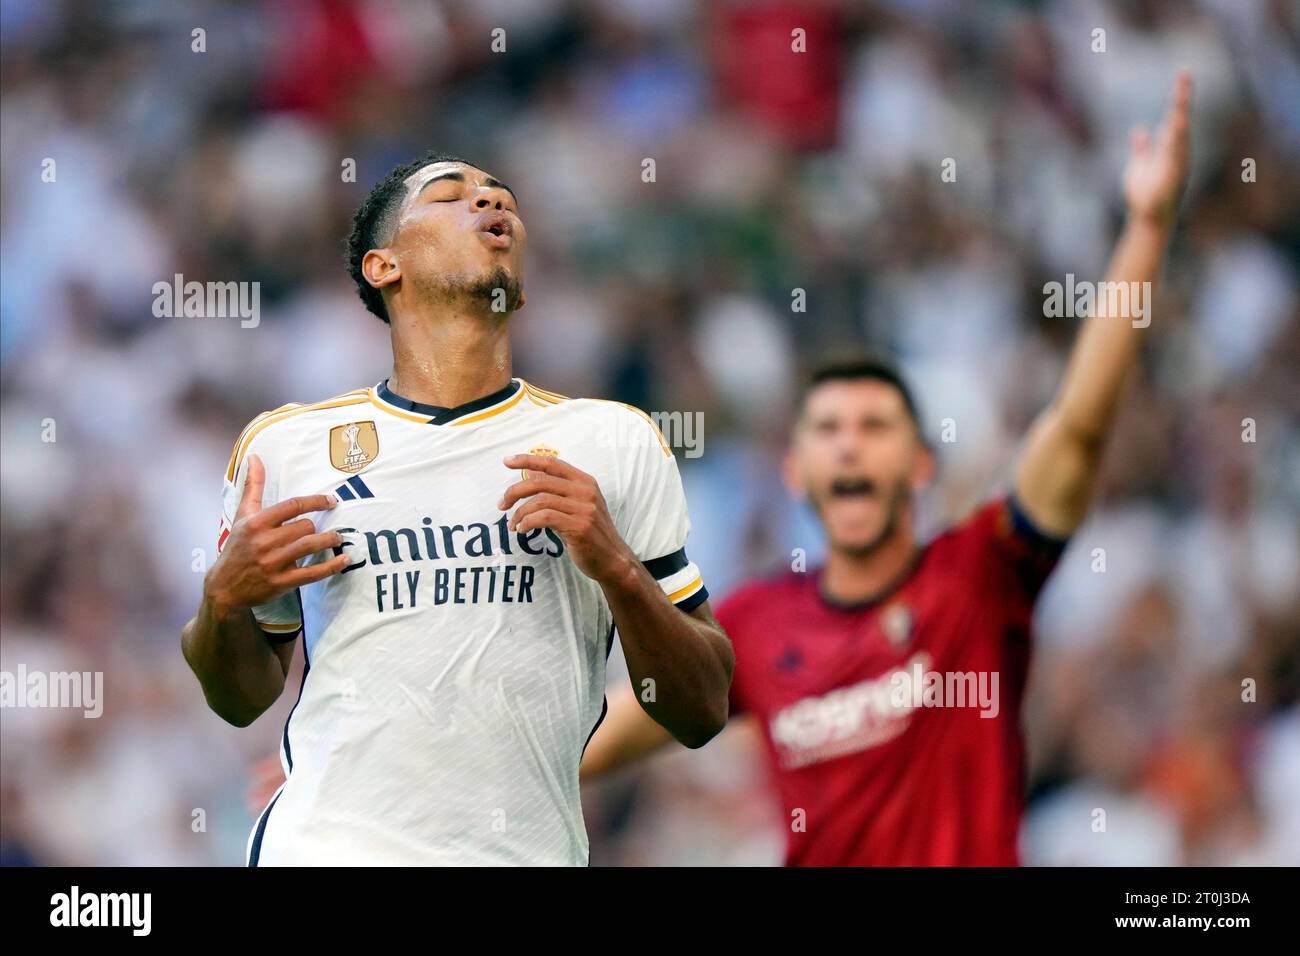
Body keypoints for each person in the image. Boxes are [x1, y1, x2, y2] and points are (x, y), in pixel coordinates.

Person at [581, 73, 1194, 866]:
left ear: (919, 466)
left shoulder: (979, 575)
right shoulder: (756, 627)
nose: (849, 445)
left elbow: (1076, 429)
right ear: (797, 472)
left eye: (875, 427)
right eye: (828, 430)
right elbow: (591, 743)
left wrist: (1145, 228)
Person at [181, 152, 734, 866]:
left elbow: (700, 710)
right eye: (451, 195)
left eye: (501, 197)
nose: (489, 203)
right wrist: (222, 601)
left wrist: (619, 569)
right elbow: (239, 698)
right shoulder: (287, 447)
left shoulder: (613, 441)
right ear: (384, 267)